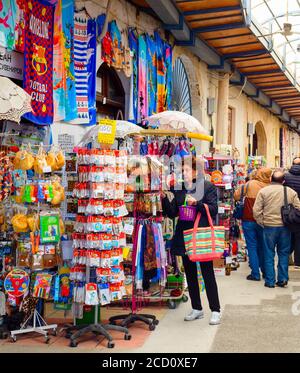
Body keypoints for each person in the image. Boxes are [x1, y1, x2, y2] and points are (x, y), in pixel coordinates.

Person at [162, 156, 221, 325]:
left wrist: (197, 204)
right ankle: (197, 308)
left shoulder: (207, 187)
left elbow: (214, 209)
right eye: (183, 170)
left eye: (186, 170)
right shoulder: (179, 188)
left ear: (196, 171)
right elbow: (173, 212)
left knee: (207, 272)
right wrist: (164, 197)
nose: (184, 173)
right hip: (184, 234)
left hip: (200, 234)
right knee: (190, 272)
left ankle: (215, 310)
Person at [253, 170, 300, 288]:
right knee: (283, 253)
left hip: (269, 226)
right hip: (285, 227)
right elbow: (298, 208)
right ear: (283, 181)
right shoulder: (290, 192)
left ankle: (270, 281)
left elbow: (256, 210)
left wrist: (262, 222)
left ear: (270, 179)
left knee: (268, 253)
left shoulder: (263, 191)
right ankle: (282, 279)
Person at [234, 168, 272, 281]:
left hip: (249, 219)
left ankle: (255, 274)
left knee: (252, 246)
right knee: (263, 246)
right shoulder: (270, 187)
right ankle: (266, 272)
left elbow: (236, 195)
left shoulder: (250, 184)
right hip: (264, 221)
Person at [284, 157, 300, 268]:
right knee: (299, 236)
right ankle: (298, 262)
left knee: (288, 234)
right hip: (299, 209)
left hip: (288, 208)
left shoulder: (286, 176)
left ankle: (288, 257)